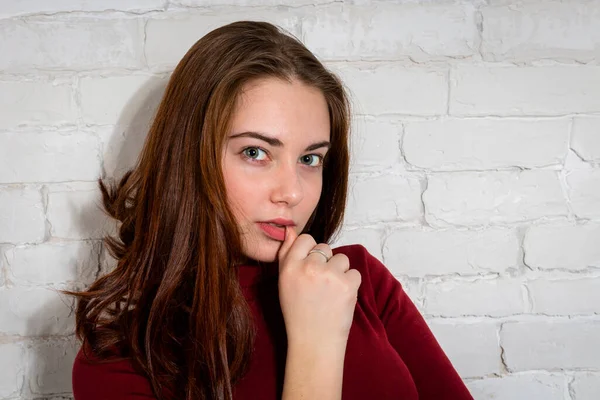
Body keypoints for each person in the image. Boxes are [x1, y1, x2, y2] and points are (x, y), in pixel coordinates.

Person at [67, 20, 473, 400]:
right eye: (255, 152)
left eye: (310, 159)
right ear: (189, 158)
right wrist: (317, 343)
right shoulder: (122, 359)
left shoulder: (357, 280)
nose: (292, 193)